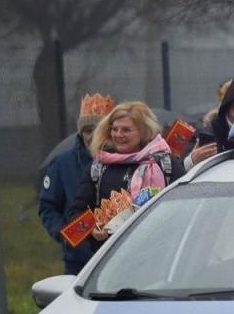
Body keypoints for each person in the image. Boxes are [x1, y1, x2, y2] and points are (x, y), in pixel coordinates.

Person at [73, 101, 185, 245]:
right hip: (112, 252)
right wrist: (92, 230)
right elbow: (76, 214)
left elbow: (184, 205)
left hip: (161, 247)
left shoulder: (165, 163)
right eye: (114, 129)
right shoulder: (98, 166)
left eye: (126, 130)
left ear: (144, 131)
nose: (118, 135)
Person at [39, 93, 109, 274]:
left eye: (98, 129)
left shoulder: (125, 161)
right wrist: (66, 235)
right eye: (87, 130)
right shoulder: (62, 165)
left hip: (116, 258)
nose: (92, 136)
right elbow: (48, 207)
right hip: (78, 262)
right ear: (80, 132)